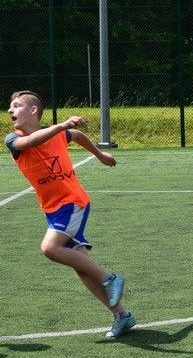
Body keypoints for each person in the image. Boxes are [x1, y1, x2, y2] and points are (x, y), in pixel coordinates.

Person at [5, 91, 135, 338]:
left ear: (33, 110)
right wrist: (62, 126)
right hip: (52, 210)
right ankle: (122, 315)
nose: (10, 110)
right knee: (82, 267)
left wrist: (100, 155)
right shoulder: (13, 139)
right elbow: (29, 143)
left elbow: (77, 135)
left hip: (71, 203)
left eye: (17, 105)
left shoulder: (58, 133)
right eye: (10, 107)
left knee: (49, 248)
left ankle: (110, 278)